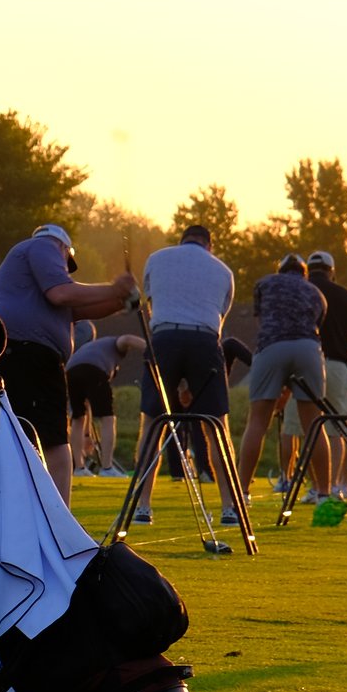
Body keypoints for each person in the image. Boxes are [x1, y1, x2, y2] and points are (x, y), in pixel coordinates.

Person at [0, 223, 137, 503]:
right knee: (54, 441)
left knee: (23, 438)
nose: (64, 269)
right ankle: (59, 524)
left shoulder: (30, 281)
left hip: (20, 355)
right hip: (30, 356)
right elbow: (63, 294)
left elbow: (76, 306)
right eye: (65, 264)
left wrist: (120, 301)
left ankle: (37, 517)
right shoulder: (44, 246)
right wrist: (114, 287)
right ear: (64, 249)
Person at [135, 223, 238, 526]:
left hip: (163, 339)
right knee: (216, 426)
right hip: (205, 342)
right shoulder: (223, 271)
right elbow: (219, 316)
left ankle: (142, 506)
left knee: (153, 423)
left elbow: (152, 303)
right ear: (210, 245)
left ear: (181, 240)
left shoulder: (156, 258)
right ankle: (229, 507)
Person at [236, 254, 329, 498]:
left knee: (257, 421)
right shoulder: (316, 294)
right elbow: (318, 324)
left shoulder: (264, 284)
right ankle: (325, 495)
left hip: (272, 346)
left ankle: (241, 493)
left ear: (280, 269)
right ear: (304, 273)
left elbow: (262, 323)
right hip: (308, 349)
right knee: (314, 425)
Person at [301, 250, 347, 501]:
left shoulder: (301, 291)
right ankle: (334, 487)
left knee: (305, 429)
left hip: (307, 362)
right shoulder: (346, 296)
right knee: (337, 429)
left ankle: (315, 487)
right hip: (337, 365)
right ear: (331, 271)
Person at [67, 331, 145, 477]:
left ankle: (79, 468)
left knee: (78, 418)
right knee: (108, 418)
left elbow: (87, 407)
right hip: (94, 369)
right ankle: (107, 468)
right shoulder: (114, 345)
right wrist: (151, 351)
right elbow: (126, 338)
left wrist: (87, 434)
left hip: (71, 372)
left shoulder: (94, 348)